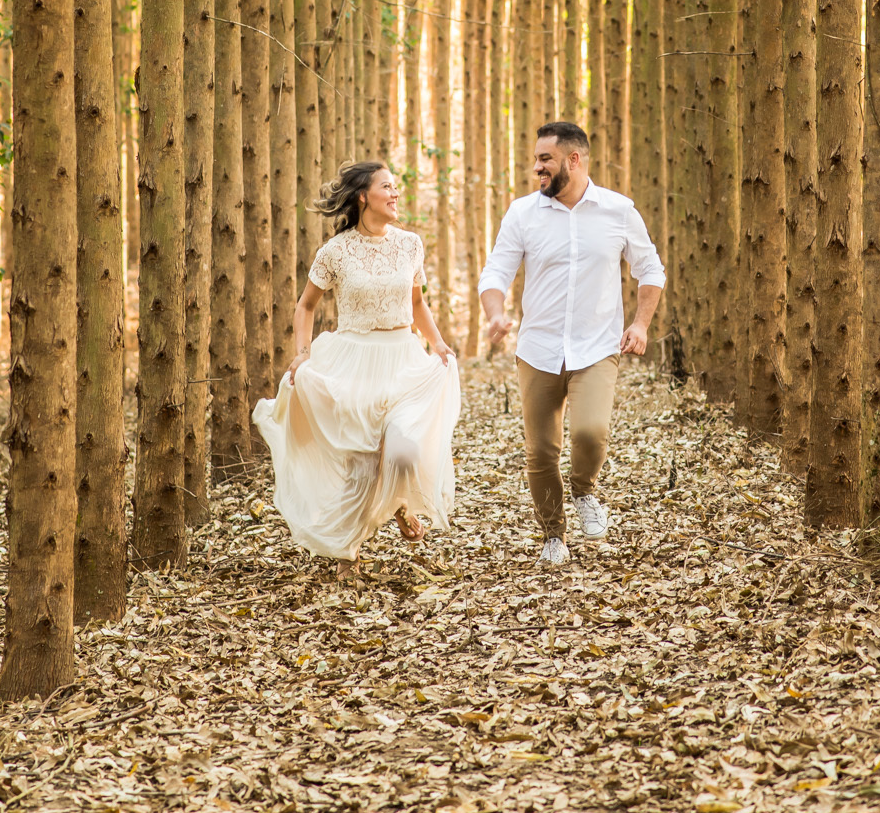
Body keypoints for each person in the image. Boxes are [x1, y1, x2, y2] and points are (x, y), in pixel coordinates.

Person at [253, 161, 461, 578]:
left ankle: (400, 503)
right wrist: (302, 352)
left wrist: (436, 342)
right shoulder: (336, 251)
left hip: (402, 358)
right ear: (364, 196)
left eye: (396, 186)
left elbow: (417, 303)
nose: (395, 193)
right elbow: (306, 306)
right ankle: (347, 551)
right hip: (352, 361)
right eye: (387, 186)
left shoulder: (410, 245)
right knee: (360, 463)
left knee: (402, 451)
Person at [478, 121, 665, 566]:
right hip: (538, 348)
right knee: (541, 450)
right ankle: (553, 535)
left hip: (597, 346)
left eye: (545, 159)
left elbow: (650, 270)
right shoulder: (522, 213)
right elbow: (495, 273)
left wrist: (639, 325)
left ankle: (584, 491)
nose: (536, 167)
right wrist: (496, 315)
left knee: (589, 432)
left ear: (574, 160)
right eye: (537, 159)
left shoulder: (619, 211)